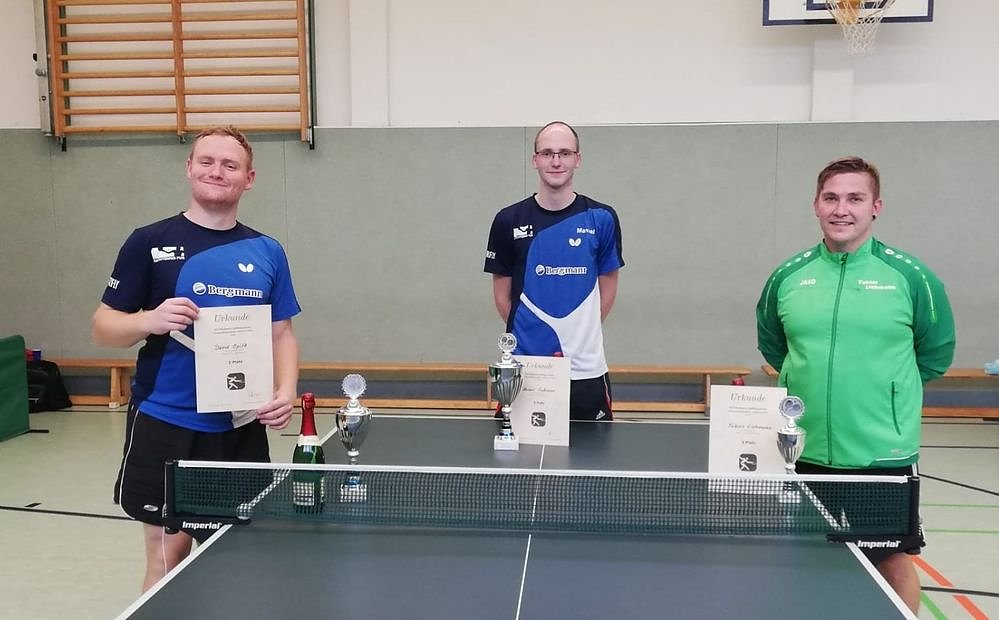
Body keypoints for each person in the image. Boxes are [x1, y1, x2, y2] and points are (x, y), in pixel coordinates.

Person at [92, 126, 301, 591]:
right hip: (165, 420)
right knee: (168, 554)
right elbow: (103, 326)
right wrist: (149, 319)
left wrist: (285, 390)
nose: (216, 172)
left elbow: (282, 332)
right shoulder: (148, 242)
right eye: (206, 161)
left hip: (239, 425)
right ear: (189, 168)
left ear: (248, 179)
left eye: (230, 165)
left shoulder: (267, 251)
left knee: (240, 557)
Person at [756, 156, 955, 613]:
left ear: (875, 207)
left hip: (882, 452)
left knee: (892, 561)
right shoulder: (788, 276)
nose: (841, 209)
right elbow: (773, 344)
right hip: (801, 451)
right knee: (804, 562)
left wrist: (888, 394)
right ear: (816, 205)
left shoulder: (910, 276)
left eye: (854, 198)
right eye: (831, 198)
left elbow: (936, 352)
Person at [484, 121, 624, 420]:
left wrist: (578, 332)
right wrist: (537, 335)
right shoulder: (508, 220)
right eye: (547, 153)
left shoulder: (602, 218)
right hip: (527, 368)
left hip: (586, 370)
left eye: (564, 153)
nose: (556, 161)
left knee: (594, 449)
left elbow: (609, 288)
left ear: (577, 159)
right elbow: (502, 297)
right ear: (535, 160)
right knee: (518, 450)